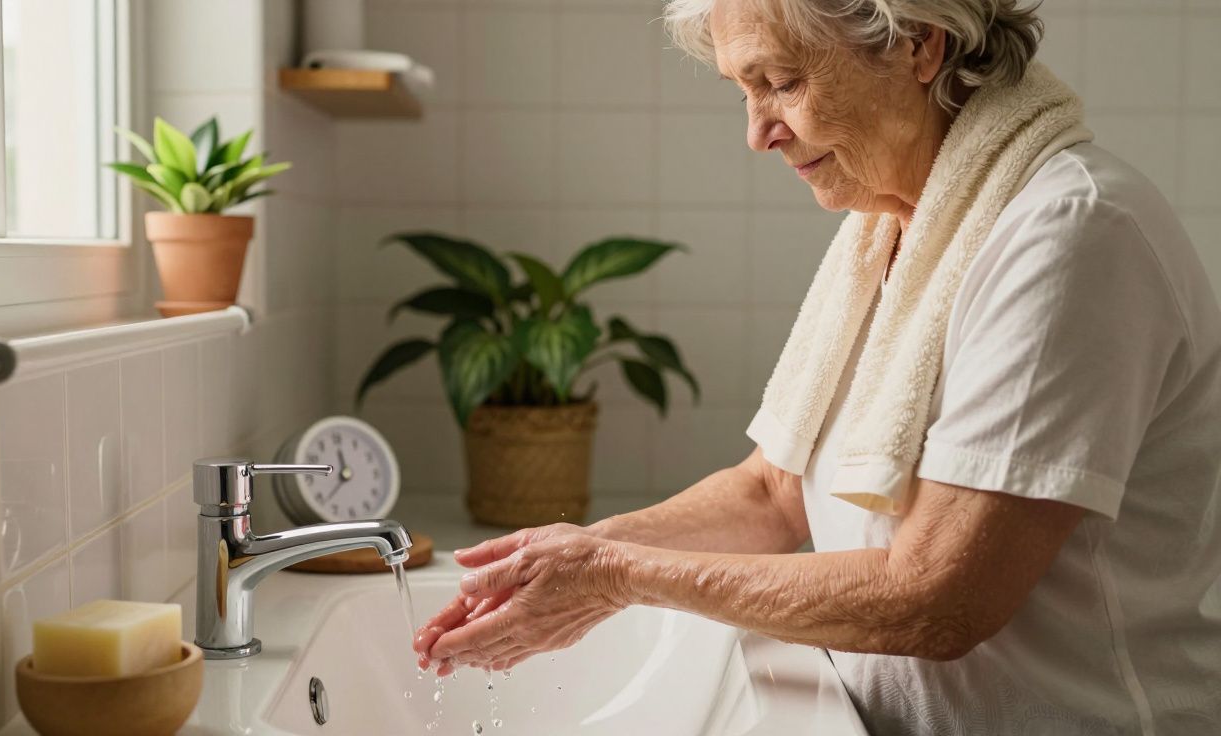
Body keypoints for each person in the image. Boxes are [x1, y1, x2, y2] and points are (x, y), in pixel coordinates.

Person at [413, 1, 1221, 732]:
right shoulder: (896, 227)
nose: (759, 131)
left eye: (784, 82)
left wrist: (614, 574)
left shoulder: (1071, 233)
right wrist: (560, 559)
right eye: (745, 90)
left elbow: (939, 597)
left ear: (919, 43)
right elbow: (772, 492)